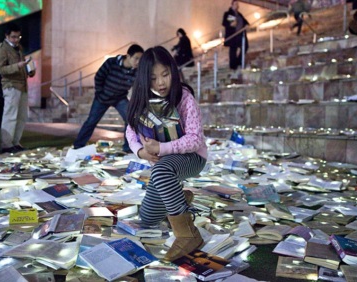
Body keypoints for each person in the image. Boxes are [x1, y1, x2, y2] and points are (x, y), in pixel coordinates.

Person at [126, 46, 208, 262]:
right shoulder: (141, 98)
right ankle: (179, 199)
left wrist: (161, 149)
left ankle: (188, 234)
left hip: (192, 158)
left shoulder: (184, 98)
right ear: (145, 79)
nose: (160, 83)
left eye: (165, 75)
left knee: (161, 171)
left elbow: (195, 140)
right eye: (153, 78)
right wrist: (141, 152)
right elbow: (129, 131)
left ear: (173, 71)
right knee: (148, 218)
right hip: (163, 164)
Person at [73, 44, 144, 153]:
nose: (138, 62)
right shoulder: (111, 62)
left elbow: (138, 86)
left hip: (120, 98)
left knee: (130, 118)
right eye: (136, 58)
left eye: (140, 59)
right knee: (91, 121)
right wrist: (100, 92)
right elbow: (99, 76)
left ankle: (128, 147)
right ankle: (78, 146)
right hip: (102, 98)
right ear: (128, 56)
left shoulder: (136, 71)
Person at [0, 23, 35, 153]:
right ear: (7, 36)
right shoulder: (2, 49)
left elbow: (22, 65)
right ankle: (7, 144)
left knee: (22, 116)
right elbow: (0, 69)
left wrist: (30, 70)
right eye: (13, 37)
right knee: (10, 115)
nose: (16, 39)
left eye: (18, 37)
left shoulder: (19, 48)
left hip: (22, 86)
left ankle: (15, 142)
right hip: (11, 85)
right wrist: (18, 66)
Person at [222, 0, 249, 71]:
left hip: (240, 34)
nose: (236, 6)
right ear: (232, 5)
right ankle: (233, 66)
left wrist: (246, 25)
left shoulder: (239, 14)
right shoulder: (228, 13)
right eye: (235, 4)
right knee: (233, 50)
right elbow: (225, 23)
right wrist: (230, 24)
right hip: (233, 35)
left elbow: (245, 21)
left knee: (245, 46)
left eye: (237, 4)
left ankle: (238, 61)